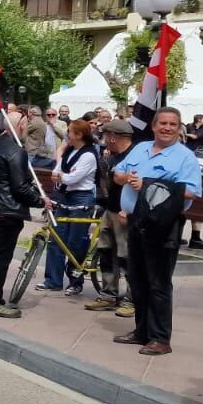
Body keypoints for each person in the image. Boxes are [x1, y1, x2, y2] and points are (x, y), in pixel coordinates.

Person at [112, 107, 203, 355]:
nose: (167, 128)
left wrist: (148, 184)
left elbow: (192, 192)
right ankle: (142, 331)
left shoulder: (185, 157)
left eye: (173, 124)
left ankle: (161, 338)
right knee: (137, 280)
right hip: (135, 221)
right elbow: (118, 172)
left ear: (179, 127)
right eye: (162, 123)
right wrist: (123, 177)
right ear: (153, 126)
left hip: (162, 226)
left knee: (159, 283)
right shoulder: (141, 148)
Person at [0, 114, 45, 319]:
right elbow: (20, 187)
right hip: (7, 211)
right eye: (26, 123)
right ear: (21, 125)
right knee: (2, 258)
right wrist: (41, 201)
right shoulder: (16, 151)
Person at [39, 119, 100, 296]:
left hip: (81, 198)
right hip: (65, 197)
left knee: (76, 242)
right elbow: (57, 171)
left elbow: (74, 178)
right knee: (56, 238)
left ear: (79, 135)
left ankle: (75, 281)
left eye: (70, 132)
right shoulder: (70, 151)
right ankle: (53, 280)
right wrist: (62, 176)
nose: (67, 135)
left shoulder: (88, 155)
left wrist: (63, 177)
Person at [86, 119, 136, 315]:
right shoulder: (112, 156)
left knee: (126, 257)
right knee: (106, 252)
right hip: (110, 210)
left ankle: (131, 299)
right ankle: (108, 294)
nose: (104, 139)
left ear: (113, 137)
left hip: (125, 213)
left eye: (106, 135)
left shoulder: (133, 156)